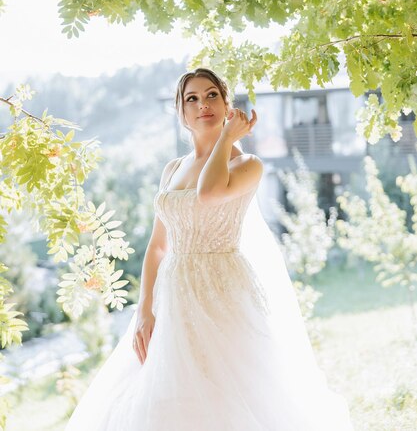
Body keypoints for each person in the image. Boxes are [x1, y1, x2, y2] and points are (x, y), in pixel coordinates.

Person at [64, 67, 355, 431]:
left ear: (227, 104)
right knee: (167, 394)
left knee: (229, 391)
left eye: (212, 95)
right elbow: (157, 246)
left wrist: (225, 140)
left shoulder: (248, 164)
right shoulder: (171, 169)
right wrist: (145, 309)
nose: (203, 104)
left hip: (223, 291)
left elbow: (210, 192)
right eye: (193, 99)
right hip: (173, 295)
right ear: (182, 114)